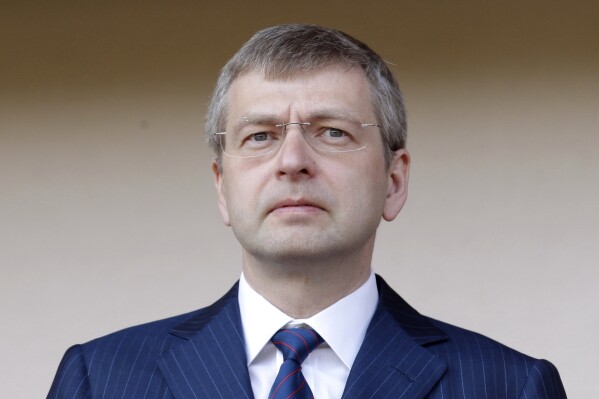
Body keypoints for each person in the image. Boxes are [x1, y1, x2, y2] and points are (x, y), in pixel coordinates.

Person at [48, 24, 567, 399]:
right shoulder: (101, 379)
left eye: (333, 132)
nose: (292, 161)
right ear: (222, 187)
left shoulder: (508, 386)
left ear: (394, 180)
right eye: (260, 136)